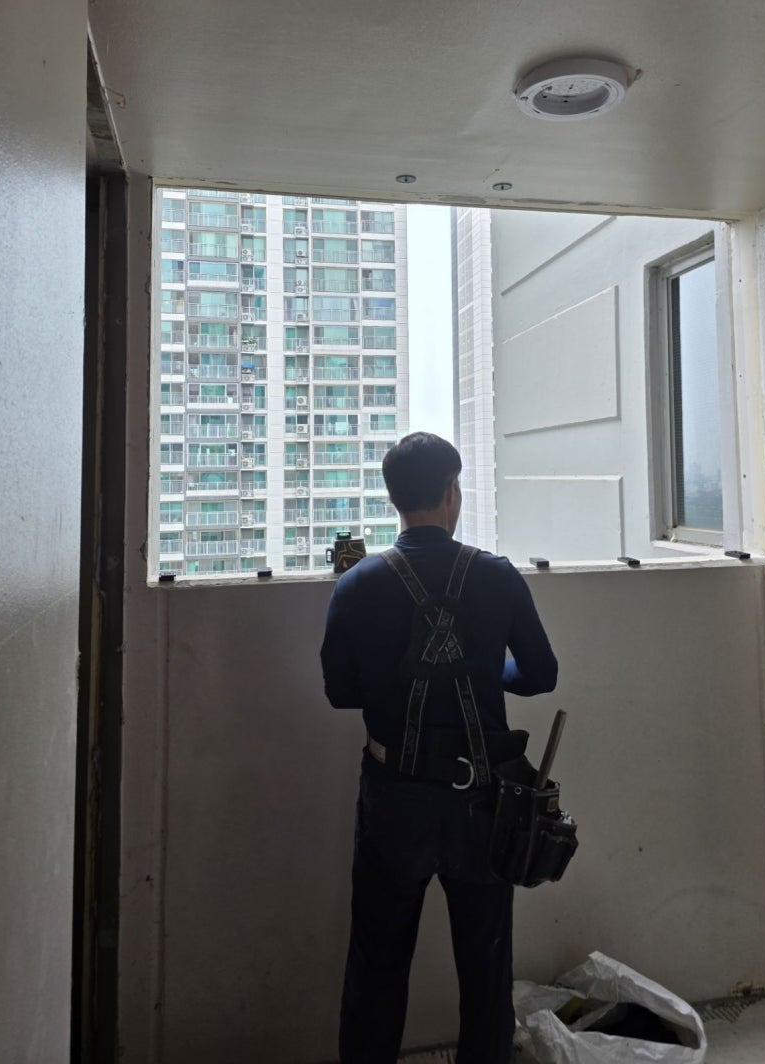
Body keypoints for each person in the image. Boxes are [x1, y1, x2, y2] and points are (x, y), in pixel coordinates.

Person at [321, 431, 558, 1064]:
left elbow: (340, 693)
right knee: (486, 967)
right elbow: (541, 675)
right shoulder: (497, 576)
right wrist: (487, 672)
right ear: (452, 493)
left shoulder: (356, 585)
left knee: (376, 965)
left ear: (394, 498)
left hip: (392, 796)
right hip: (482, 800)